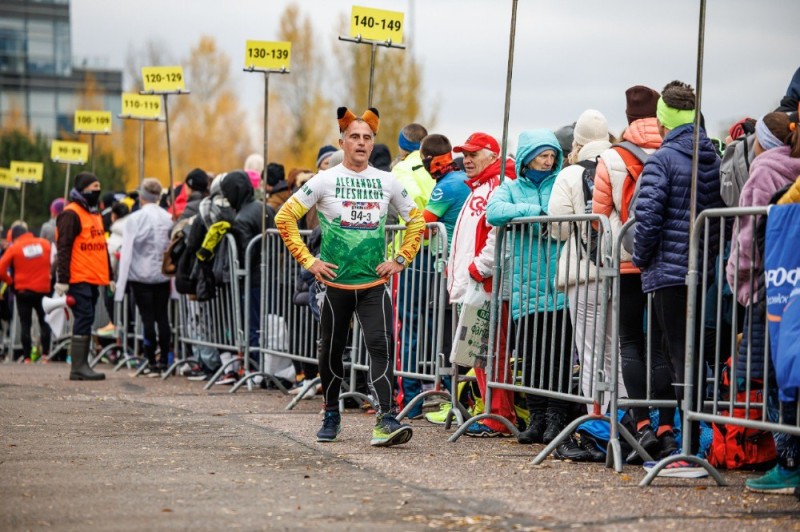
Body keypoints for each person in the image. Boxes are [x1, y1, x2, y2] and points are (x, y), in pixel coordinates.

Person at [275, 106, 425, 447]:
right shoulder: (325, 179)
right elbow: (285, 218)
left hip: (373, 284)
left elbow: (416, 221)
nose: (360, 142)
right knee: (331, 352)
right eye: (354, 137)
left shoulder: (387, 181)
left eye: (367, 138)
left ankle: (386, 419)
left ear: (373, 144)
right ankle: (331, 412)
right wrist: (309, 261)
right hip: (334, 285)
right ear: (342, 142)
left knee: (381, 348)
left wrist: (400, 259)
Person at [633, 81, 724, 476]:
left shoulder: (663, 159)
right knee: (692, 356)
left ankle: (686, 448)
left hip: (668, 272)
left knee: (674, 357)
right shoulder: (713, 156)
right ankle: (689, 439)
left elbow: (647, 218)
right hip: (702, 267)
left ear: (664, 120)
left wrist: (641, 257)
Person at [592, 85, 671, 461]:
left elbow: (598, 216)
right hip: (667, 261)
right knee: (664, 344)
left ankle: (640, 425)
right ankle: (669, 428)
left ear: (627, 118)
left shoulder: (612, 157)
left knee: (630, 341)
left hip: (626, 262)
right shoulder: (673, 148)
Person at [487, 129, 573, 445]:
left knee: (560, 356)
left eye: (552, 156)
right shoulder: (509, 187)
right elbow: (493, 213)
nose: (548, 162)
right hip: (526, 288)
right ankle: (536, 418)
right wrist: (531, 212)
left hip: (560, 284)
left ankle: (556, 419)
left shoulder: (561, 182)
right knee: (532, 356)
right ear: (527, 158)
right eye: (542, 156)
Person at [549, 109, 626, 408]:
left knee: (590, 350)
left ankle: (596, 421)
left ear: (578, 141)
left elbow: (557, 227)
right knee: (618, 349)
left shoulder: (569, 174)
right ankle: (624, 419)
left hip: (582, 270)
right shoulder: (622, 165)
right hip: (621, 267)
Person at [447, 132, 517, 437]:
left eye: (474, 154)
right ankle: (492, 411)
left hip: (488, 284)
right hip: (476, 283)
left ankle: (499, 415)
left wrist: (479, 268)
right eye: (465, 154)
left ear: (492, 155)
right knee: (479, 354)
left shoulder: (498, 186)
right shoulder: (478, 187)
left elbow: (496, 235)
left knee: (491, 352)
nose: (467, 160)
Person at [417, 133, 470, 424]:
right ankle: (462, 398)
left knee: (449, 337)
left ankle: (455, 400)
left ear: (428, 160)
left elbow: (422, 227)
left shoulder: (445, 187)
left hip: (449, 268)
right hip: (465, 267)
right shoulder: (462, 179)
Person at [391, 122, 435, 419]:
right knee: (434, 326)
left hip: (409, 254)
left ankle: (411, 397)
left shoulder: (399, 171)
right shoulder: (436, 168)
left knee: (408, 325)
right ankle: (440, 390)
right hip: (438, 254)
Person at [55, 172, 113, 381]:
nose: (97, 190)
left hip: (93, 277)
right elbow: (64, 248)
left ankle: (81, 365)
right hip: (78, 276)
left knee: (86, 318)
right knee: (84, 316)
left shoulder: (93, 213)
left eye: (98, 186)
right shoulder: (71, 214)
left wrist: (110, 275)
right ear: (82, 190)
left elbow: (102, 246)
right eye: (93, 186)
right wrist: (62, 279)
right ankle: (78, 366)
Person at [115, 178, 174, 375]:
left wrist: (121, 283)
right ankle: (164, 359)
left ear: (142, 196)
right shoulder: (167, 217)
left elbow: (127, 250)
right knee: (162, 317)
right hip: (162, 275)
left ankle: (151, 361)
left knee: (147, 318)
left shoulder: (136, 218)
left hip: (140, 275)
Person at [0, 223, 52, 362]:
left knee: (25, 323)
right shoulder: (45, 244)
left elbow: (0, 269)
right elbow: (53, 262)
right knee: (45, 321)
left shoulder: (14, 248)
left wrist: (10, 281)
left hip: (23, 291)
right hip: (43, 289)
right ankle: (46, 355)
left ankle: (27, 357)